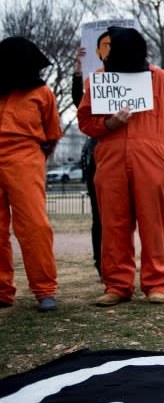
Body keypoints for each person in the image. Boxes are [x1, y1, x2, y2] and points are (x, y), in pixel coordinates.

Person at [78, 27, 164, 307]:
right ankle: (117, 284)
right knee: (113, 225)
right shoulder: (99, 80)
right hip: (111, 159)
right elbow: (85, 120)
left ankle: (156, 283)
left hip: (151, 159)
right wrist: (108, 124)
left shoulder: (162, 80)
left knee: (153, 224)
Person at [0, 37, 62, 312]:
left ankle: (44, 289)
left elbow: (52, 133)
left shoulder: (42, 93)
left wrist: (35, 158)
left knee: (35, 226)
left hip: (25, 157)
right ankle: (2, 291)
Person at [74, 31, 111, 277]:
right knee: (100, 214)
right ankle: (103, 264)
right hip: (99, 153)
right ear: (97, 52)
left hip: (126, 153)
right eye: (105, 46)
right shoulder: (93, 80)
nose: (109, 50)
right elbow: (80, 103)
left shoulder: (139, 78)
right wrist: (78, 73)